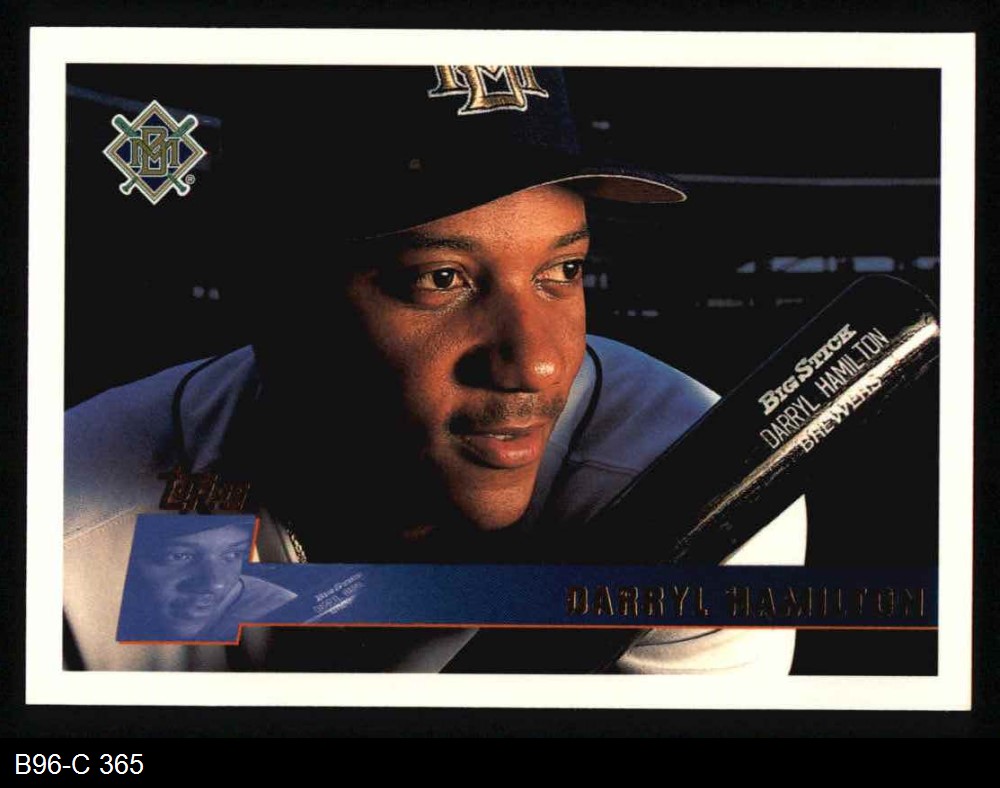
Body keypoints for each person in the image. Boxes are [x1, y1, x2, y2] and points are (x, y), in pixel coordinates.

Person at [64, 66, 806, 672]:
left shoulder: (694, 481)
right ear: (270, 296)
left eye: (563, 270)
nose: (537, 362)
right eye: (440, 278)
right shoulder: (73, 514)